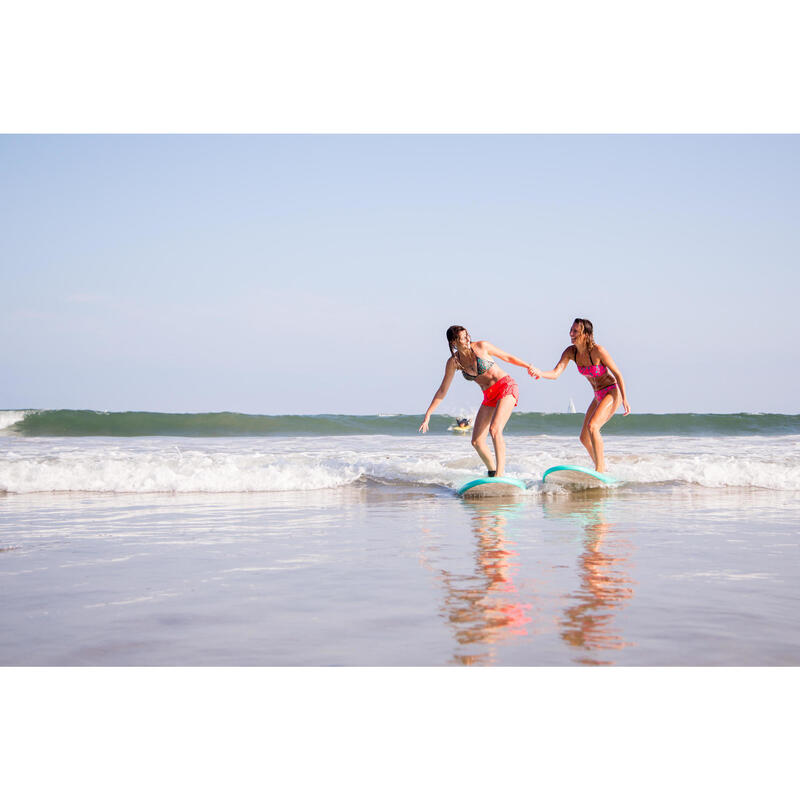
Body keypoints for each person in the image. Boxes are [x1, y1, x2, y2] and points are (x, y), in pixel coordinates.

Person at [419, 325, 536, 477]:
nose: (468, 339)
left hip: (505, 386)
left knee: (494, 430)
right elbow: (442, 390)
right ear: (454, 342)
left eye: (468, 335)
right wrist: (429, 414)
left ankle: (500, 475)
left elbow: (507, 357)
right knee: (476, 442)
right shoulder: (454, 362)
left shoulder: (481, 347)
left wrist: (528, 366)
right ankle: (492, 472)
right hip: (489, 396)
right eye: (463, 337)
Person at [529, 318, 630, 473]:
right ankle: (602, 466)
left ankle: (600, 469)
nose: (571, 333)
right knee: (583, 438)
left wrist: (625, 399)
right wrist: (540, 373)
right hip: (598, 395)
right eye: (571, 330)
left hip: (611, 392)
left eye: (575, 331)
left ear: (586, 334)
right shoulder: (571, 352)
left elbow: (618, 374)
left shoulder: (598, 351)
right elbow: (556, 373)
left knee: (593, 426)